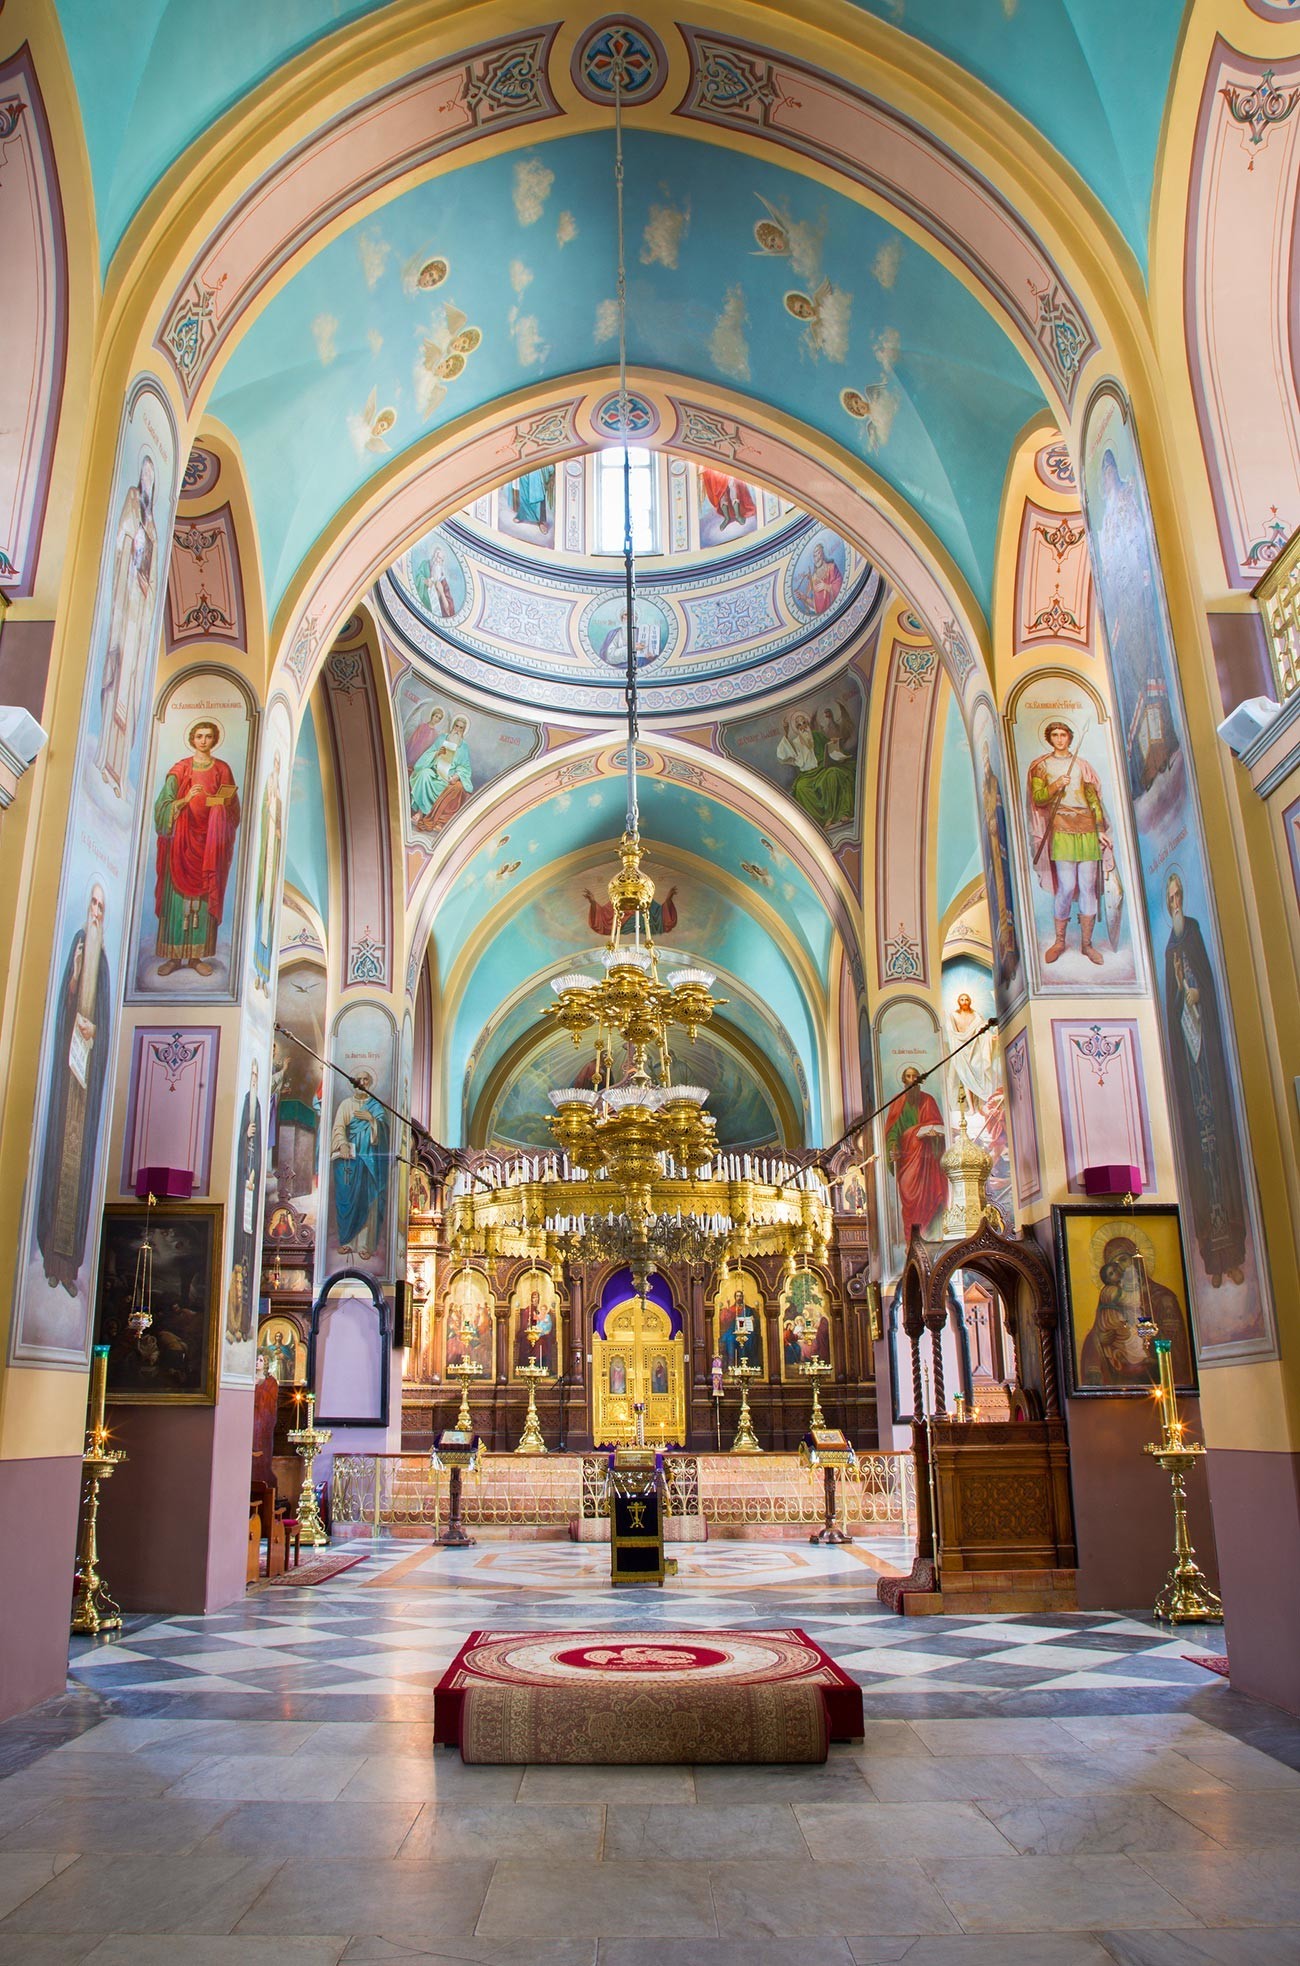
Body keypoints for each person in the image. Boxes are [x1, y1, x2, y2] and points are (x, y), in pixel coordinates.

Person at [1163, 873, 1247, 1287]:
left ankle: (1234, 1256)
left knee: (1223, 1165)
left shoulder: (1193, 933)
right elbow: (1171, 1002)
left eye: (1179, 896)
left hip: (1208, 1066)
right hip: (1190, 1072)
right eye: (1171, 898)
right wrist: (1182, 997)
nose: (1175, 903)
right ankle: (1211, 1263)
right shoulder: (1167, 951)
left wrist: (1198, 996)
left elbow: (1209, 988)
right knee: (1201, 1167)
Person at [36, 885, 112, 1293]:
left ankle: (70, 1267)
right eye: (93, 904)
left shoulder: (103, 963)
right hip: (68, 1077)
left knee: (79, 1171)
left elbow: (104, 1018)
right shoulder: (80, 951)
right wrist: (74, 978)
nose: (96, 912)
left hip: (88, 1078)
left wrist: (95, 1028)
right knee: (56, 1163)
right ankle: (51, 1259)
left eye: (101, 906)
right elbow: (65, 1003)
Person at [153, 719, 241, 977]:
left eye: (209, 736)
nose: (203, 740)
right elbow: (162, 806)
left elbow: (234, 808)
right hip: (180, 843)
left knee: (202, 900)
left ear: (214, 740)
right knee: (177, 901)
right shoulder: (180, 769)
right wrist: (185, 800)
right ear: (192, 739)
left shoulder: (222, 769)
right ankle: (172, 957)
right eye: (199, 736)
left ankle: (195, 957)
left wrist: (220, 808)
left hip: (209, 844)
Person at [93, 452, 159, 797]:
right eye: (145, 474)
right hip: (125, 603)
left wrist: (146, 585)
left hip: (140, 613)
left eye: (152, 477)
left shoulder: (154, 528)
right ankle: (105, 758)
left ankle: (119, 771)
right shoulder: (133, 503)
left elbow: (153, 567)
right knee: (117, 678)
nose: (147, 480)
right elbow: (121, 540)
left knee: (131, 686)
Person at [1026, 720, 1111, 966]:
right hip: (1062, 827)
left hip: (1086, 827)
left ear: (1070, 737)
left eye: (1064, 734)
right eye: (1055, 735)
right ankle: (1060, 941)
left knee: (1087, 886)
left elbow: (1093, 799)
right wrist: (1056, 785)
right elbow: (1039, 798)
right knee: (1066, 885)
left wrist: (1098, 828)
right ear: (1050, 738)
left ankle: (1087, 944)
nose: (1060, 739)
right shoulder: (1042, 767)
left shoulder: (1082, 767)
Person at [883, 1065, 948, 1239]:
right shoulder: (897, 1103)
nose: (913, 1080)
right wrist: (894, 1147)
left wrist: (934, 1135)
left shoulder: (928, 1100)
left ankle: (931, 1237)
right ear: (904, 1081)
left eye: (916, 1076)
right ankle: (912, 1241)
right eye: (909, 1077)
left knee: (931, 1197)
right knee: (910, 1201)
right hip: (907, 1160)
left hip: (928, 1161)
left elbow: (939, 1126)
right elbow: (892, 1131)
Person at [331, 1070, 389, 1261]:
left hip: (370, 1162)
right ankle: (347, 1241)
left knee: (368, 1200)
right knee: (348, 1198)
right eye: (359, 1080)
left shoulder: (376, 1106)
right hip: (350, 1160)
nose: (362, 1083)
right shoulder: (346, 1105)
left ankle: (364, 1244)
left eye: (366, 1079)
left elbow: (384, 1133)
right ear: (354, 1083)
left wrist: (371, 1120)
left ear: (370, 1082)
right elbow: (339, 1127)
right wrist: (343, 1143)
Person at [776, 705, 855, 830]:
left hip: (822, 770)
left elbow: (829, 749)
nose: (803, 726)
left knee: (834, 774)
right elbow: (782, 756)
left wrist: (833, 743)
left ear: (808, 723)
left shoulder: (817, 736)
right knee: (801, 787)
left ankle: (835, 815)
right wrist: (785, 733)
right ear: (796, 728)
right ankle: (819, 823)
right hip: (807, 775)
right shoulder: (795, 743)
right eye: (799, 725)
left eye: (804, 723)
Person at [229, 1060, 263, 1346]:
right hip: (243, 1184)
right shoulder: (244, 1105)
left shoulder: (258, 1108)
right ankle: (234, 1323)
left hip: (250, 1183)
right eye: (251, 1075)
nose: (254, 1079)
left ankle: (241, 1324)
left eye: (256, 1076)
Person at [251, 755, 284, 996]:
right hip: (265, 852)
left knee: (269, 911)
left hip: (273, 857)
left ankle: (262, 973)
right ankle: (256, 972)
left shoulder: (279, 796)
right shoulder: (268, 789)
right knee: (261, 902)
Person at [410, 714, 472, 831]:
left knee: (454, 788)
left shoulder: (463, 747)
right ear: (452, 726)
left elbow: (465, 767)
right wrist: (437, 753)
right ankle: (420, 813)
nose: (457, 730)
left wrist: (456, 775)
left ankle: (433, 817)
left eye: (461, 728)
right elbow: (429, 752)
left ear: (464, 731)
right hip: (434, 772)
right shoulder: (442, 738)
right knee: (424, 774)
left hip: (448, 778)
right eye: (456, 726)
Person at [946, 991, 994, 1117]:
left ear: (970, 1001)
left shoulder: (976, 1015)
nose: (964, 1002)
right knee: (966, 1078)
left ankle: (984, 1105)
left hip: (974, 1048)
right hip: (961, 1049)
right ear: (958, 1002)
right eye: (962, 999)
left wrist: (991, 1037)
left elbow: (984, 1029)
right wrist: (958, 1042)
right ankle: (972, 1108)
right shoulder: (953, 1015)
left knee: (980, 1074)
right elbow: (951, 1031)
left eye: (966, 999)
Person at [793, 540, 842, 615]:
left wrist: (827, 587)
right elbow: (817, 606)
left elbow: (840, 588)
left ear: (822, 555)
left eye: (818, 554)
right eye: (814, 556)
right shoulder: (814, 579)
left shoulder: (831, 568)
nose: (816, 559)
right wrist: (804, 598)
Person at [719, 1281, 761, 1368]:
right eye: (737, 1296)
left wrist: (753, 1320)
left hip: (747, 1330)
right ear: (735, 1297)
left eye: (740, 1296)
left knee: (749, 1339)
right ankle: (731, 1365)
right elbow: (725, 1321)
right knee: (730, 1339)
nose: (739, 1297)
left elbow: (754, 1322)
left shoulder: (748, 1309)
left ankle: (748, 1365)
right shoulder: (731, 1309)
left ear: (742, 1297)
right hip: (733, 1330)